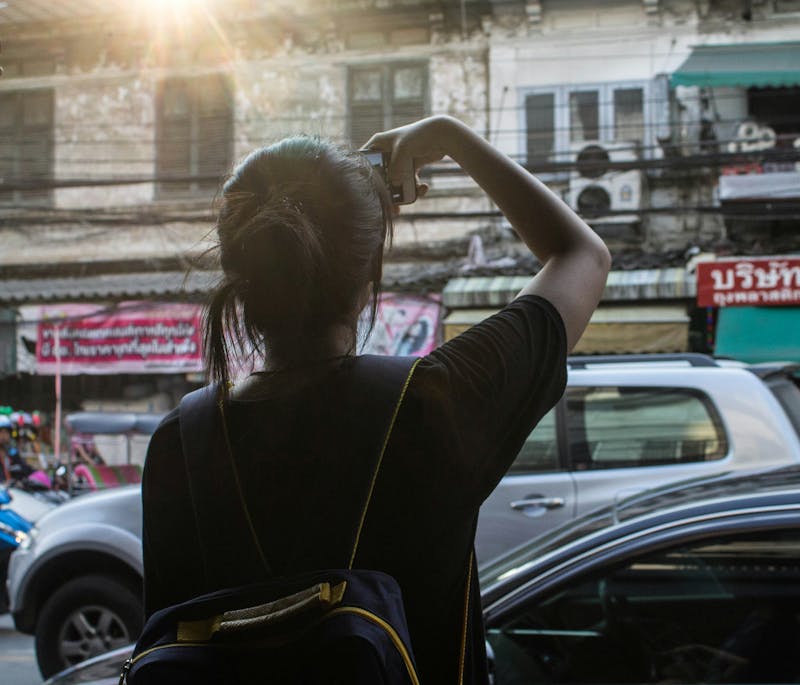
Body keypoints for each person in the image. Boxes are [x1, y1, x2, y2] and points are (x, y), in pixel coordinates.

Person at [142, 115, 610, 684]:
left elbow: (169, 635)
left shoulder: (178, 443)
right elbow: (581, 254)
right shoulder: (435, 404)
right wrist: (449, 137)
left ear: (243, 278)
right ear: (368, 282)